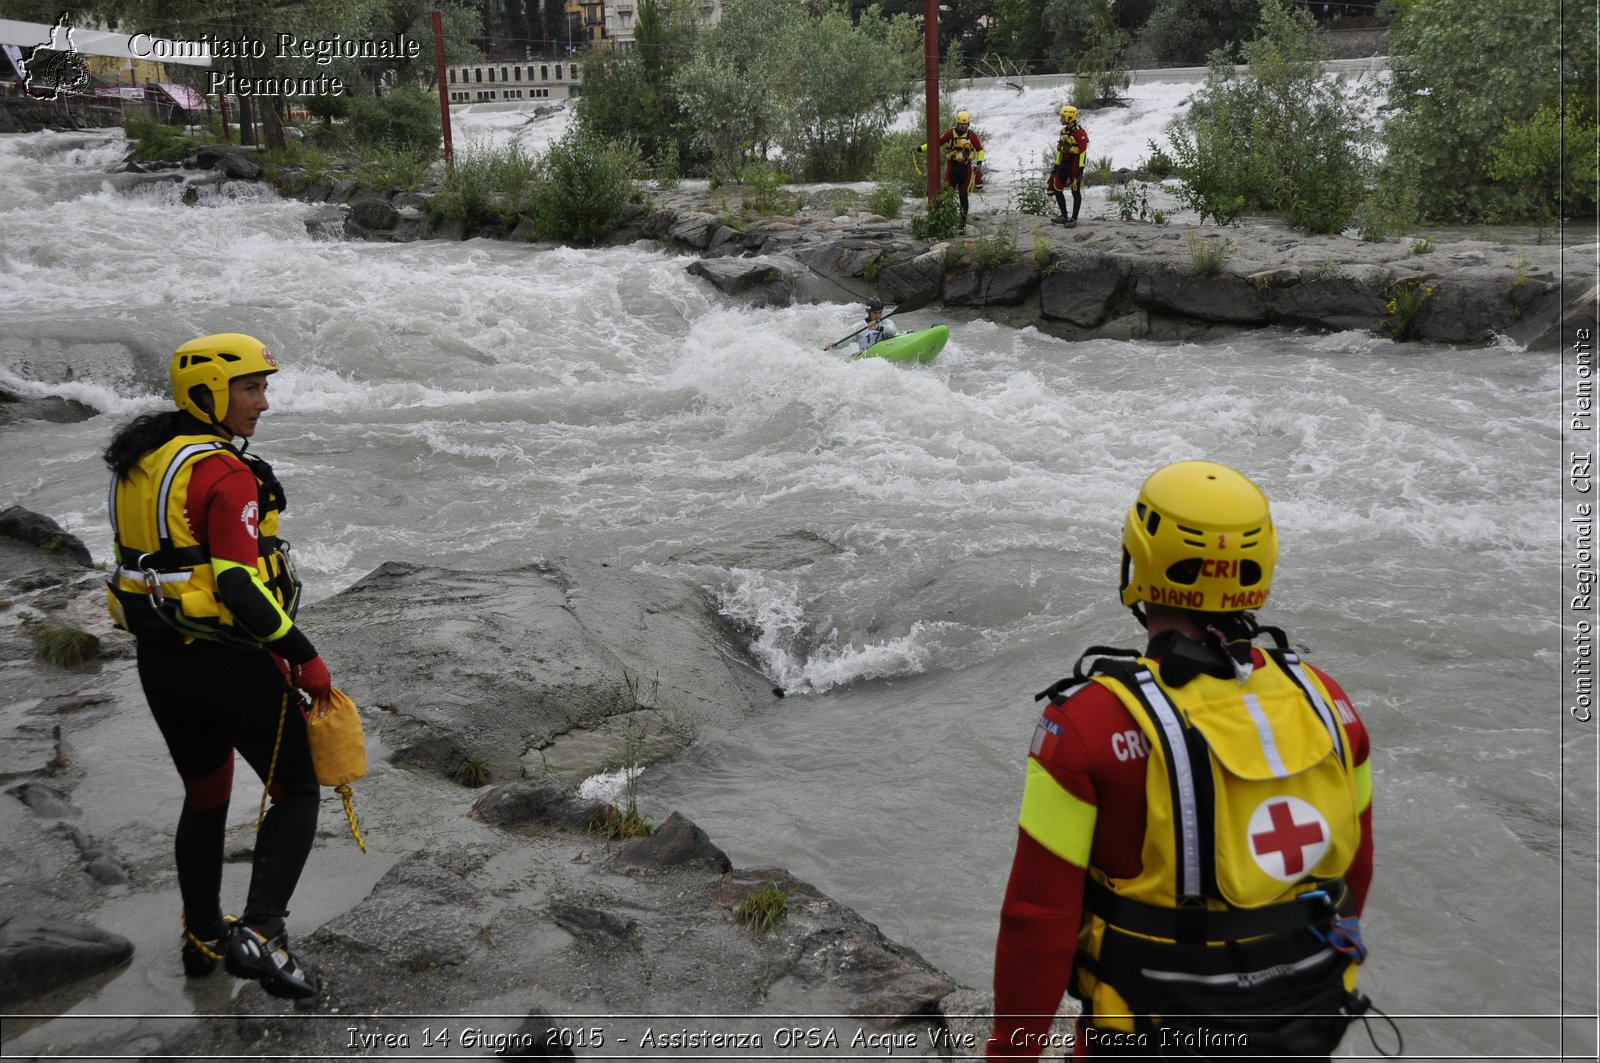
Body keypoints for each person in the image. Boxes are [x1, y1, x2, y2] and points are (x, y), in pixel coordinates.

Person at [988, 460, 1375, 1060]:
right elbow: (1356, 872)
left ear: (1136, 561)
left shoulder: (1086, 727)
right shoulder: (1329, 702)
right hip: (1306, 1023)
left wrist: (1010, 1055)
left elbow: (1036, 920)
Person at [103, 332, 335, 1001]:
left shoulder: (142, 456)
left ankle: (202, 935)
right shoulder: (226, 471)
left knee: (206, 796)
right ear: (207, 393)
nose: (264, 401)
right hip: (229, 662)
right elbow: (236, 583)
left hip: (162, 663)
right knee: (298, 789)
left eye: (264, 385)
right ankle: (262, 932)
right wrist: (304, 656)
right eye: (251, 388)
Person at [917, 109, 985, 231]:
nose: (963, 127)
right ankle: (947, 221)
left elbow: (980, 150)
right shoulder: (949, 134)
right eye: (961, 124)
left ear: (968, 124)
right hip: (952, 168)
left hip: (965, 169)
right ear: (957, 123)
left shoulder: (972, 135)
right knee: (948, 195)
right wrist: (920, 149)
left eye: (965, 124)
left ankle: (962, 224)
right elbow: (934, 143)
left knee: (963, 196)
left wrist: (979, 163)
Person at [1049, 105, 1089, 227]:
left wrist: (1080, 171)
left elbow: (1082, 153)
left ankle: (1074, 219)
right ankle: (1064, 216)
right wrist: (1056, 166)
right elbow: (1060, 151)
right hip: (1063, 165)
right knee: (1057, 188)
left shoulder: (1080, 133)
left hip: (1074, 166)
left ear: (1069, 117)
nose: (1060, 119)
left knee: (1075, 191)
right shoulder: (1063, 132)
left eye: (1062, 116)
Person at [825, 297, 901, 353]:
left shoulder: (886, 322)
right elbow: (846, 340)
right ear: (868, 312)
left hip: (887, 349)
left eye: (880, 312)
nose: (878, 316)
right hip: (867, 356)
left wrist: (878, 327)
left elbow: (893, 331)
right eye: (875, 313)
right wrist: (835, 345)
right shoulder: (858, 326)